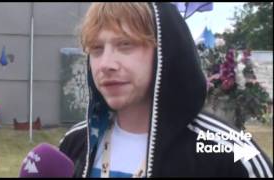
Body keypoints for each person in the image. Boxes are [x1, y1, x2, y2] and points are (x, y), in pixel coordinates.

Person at [59, 2, 273, 178]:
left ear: (165, 52)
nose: (106, 64)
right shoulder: (76, 143)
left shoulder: (231, 150)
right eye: (96, 49)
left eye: (125, 45)